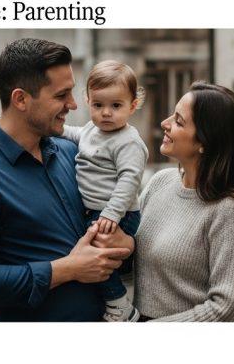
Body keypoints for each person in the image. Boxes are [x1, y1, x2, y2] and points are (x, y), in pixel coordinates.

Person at [0, 38, 132, 322]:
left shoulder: (73, 151)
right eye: (61, 95)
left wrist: (126, 243)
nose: (73, 104)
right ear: (21, 99)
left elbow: (108, 238)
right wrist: (68, 268)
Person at [98, 82, 234, 321]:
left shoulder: (230, 212)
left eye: (178, 121)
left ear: (204, 142)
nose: (164, 123)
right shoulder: (160, 183)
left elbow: (228, 309)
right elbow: (140, 264)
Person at [61, 60, 149, 322]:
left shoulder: (128, 142)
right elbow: (75, 134)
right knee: (102, 260)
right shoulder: (92, 129)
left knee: (98, 259)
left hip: (117, 213)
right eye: (98, 105)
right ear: (88, 101)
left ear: (132, 106)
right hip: (97, 211)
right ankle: (115, 296)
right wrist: (52, 129)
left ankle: (120, 305)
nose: (106, 113)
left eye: (116, 106)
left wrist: (112, 213)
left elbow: (129, 180)